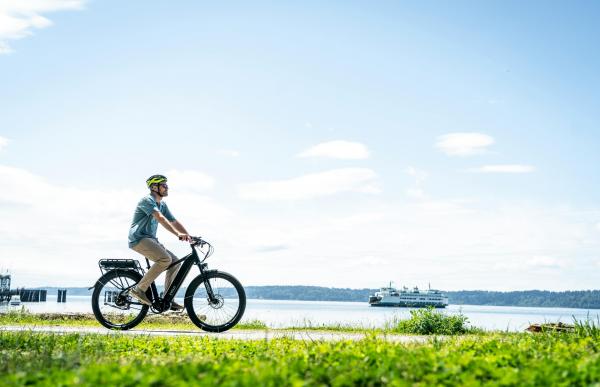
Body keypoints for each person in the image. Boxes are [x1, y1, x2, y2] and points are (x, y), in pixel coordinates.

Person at [127, 174, 192, 311]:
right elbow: (160, 218)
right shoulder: (147, 200)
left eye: (166, 185)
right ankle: (139, 289)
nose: (167, 187)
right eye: (164, 185)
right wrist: (177, 234)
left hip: (150, 239)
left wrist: (188, 235)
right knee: (165, 259)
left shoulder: (162, 204)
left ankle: (168, 297)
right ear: (154, 187)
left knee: (175, 262)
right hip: (139, 238)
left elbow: (173, 221)